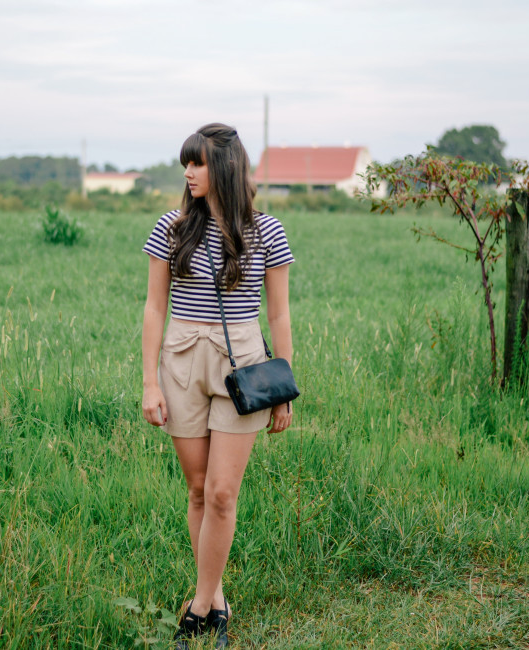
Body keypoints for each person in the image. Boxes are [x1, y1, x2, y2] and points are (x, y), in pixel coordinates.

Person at [141, 123, 294, 648]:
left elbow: (278, 311)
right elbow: (154, 307)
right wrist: (148, 384)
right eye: (186, 162)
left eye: (198, 163)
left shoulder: (267, 231)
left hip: (242, 366)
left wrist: (284, 383)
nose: (188, 172)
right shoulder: (172, 226)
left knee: (223, 494)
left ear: (224, 168)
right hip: (181, 362)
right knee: (198, 489)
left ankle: (201, 606)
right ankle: (217, 594)